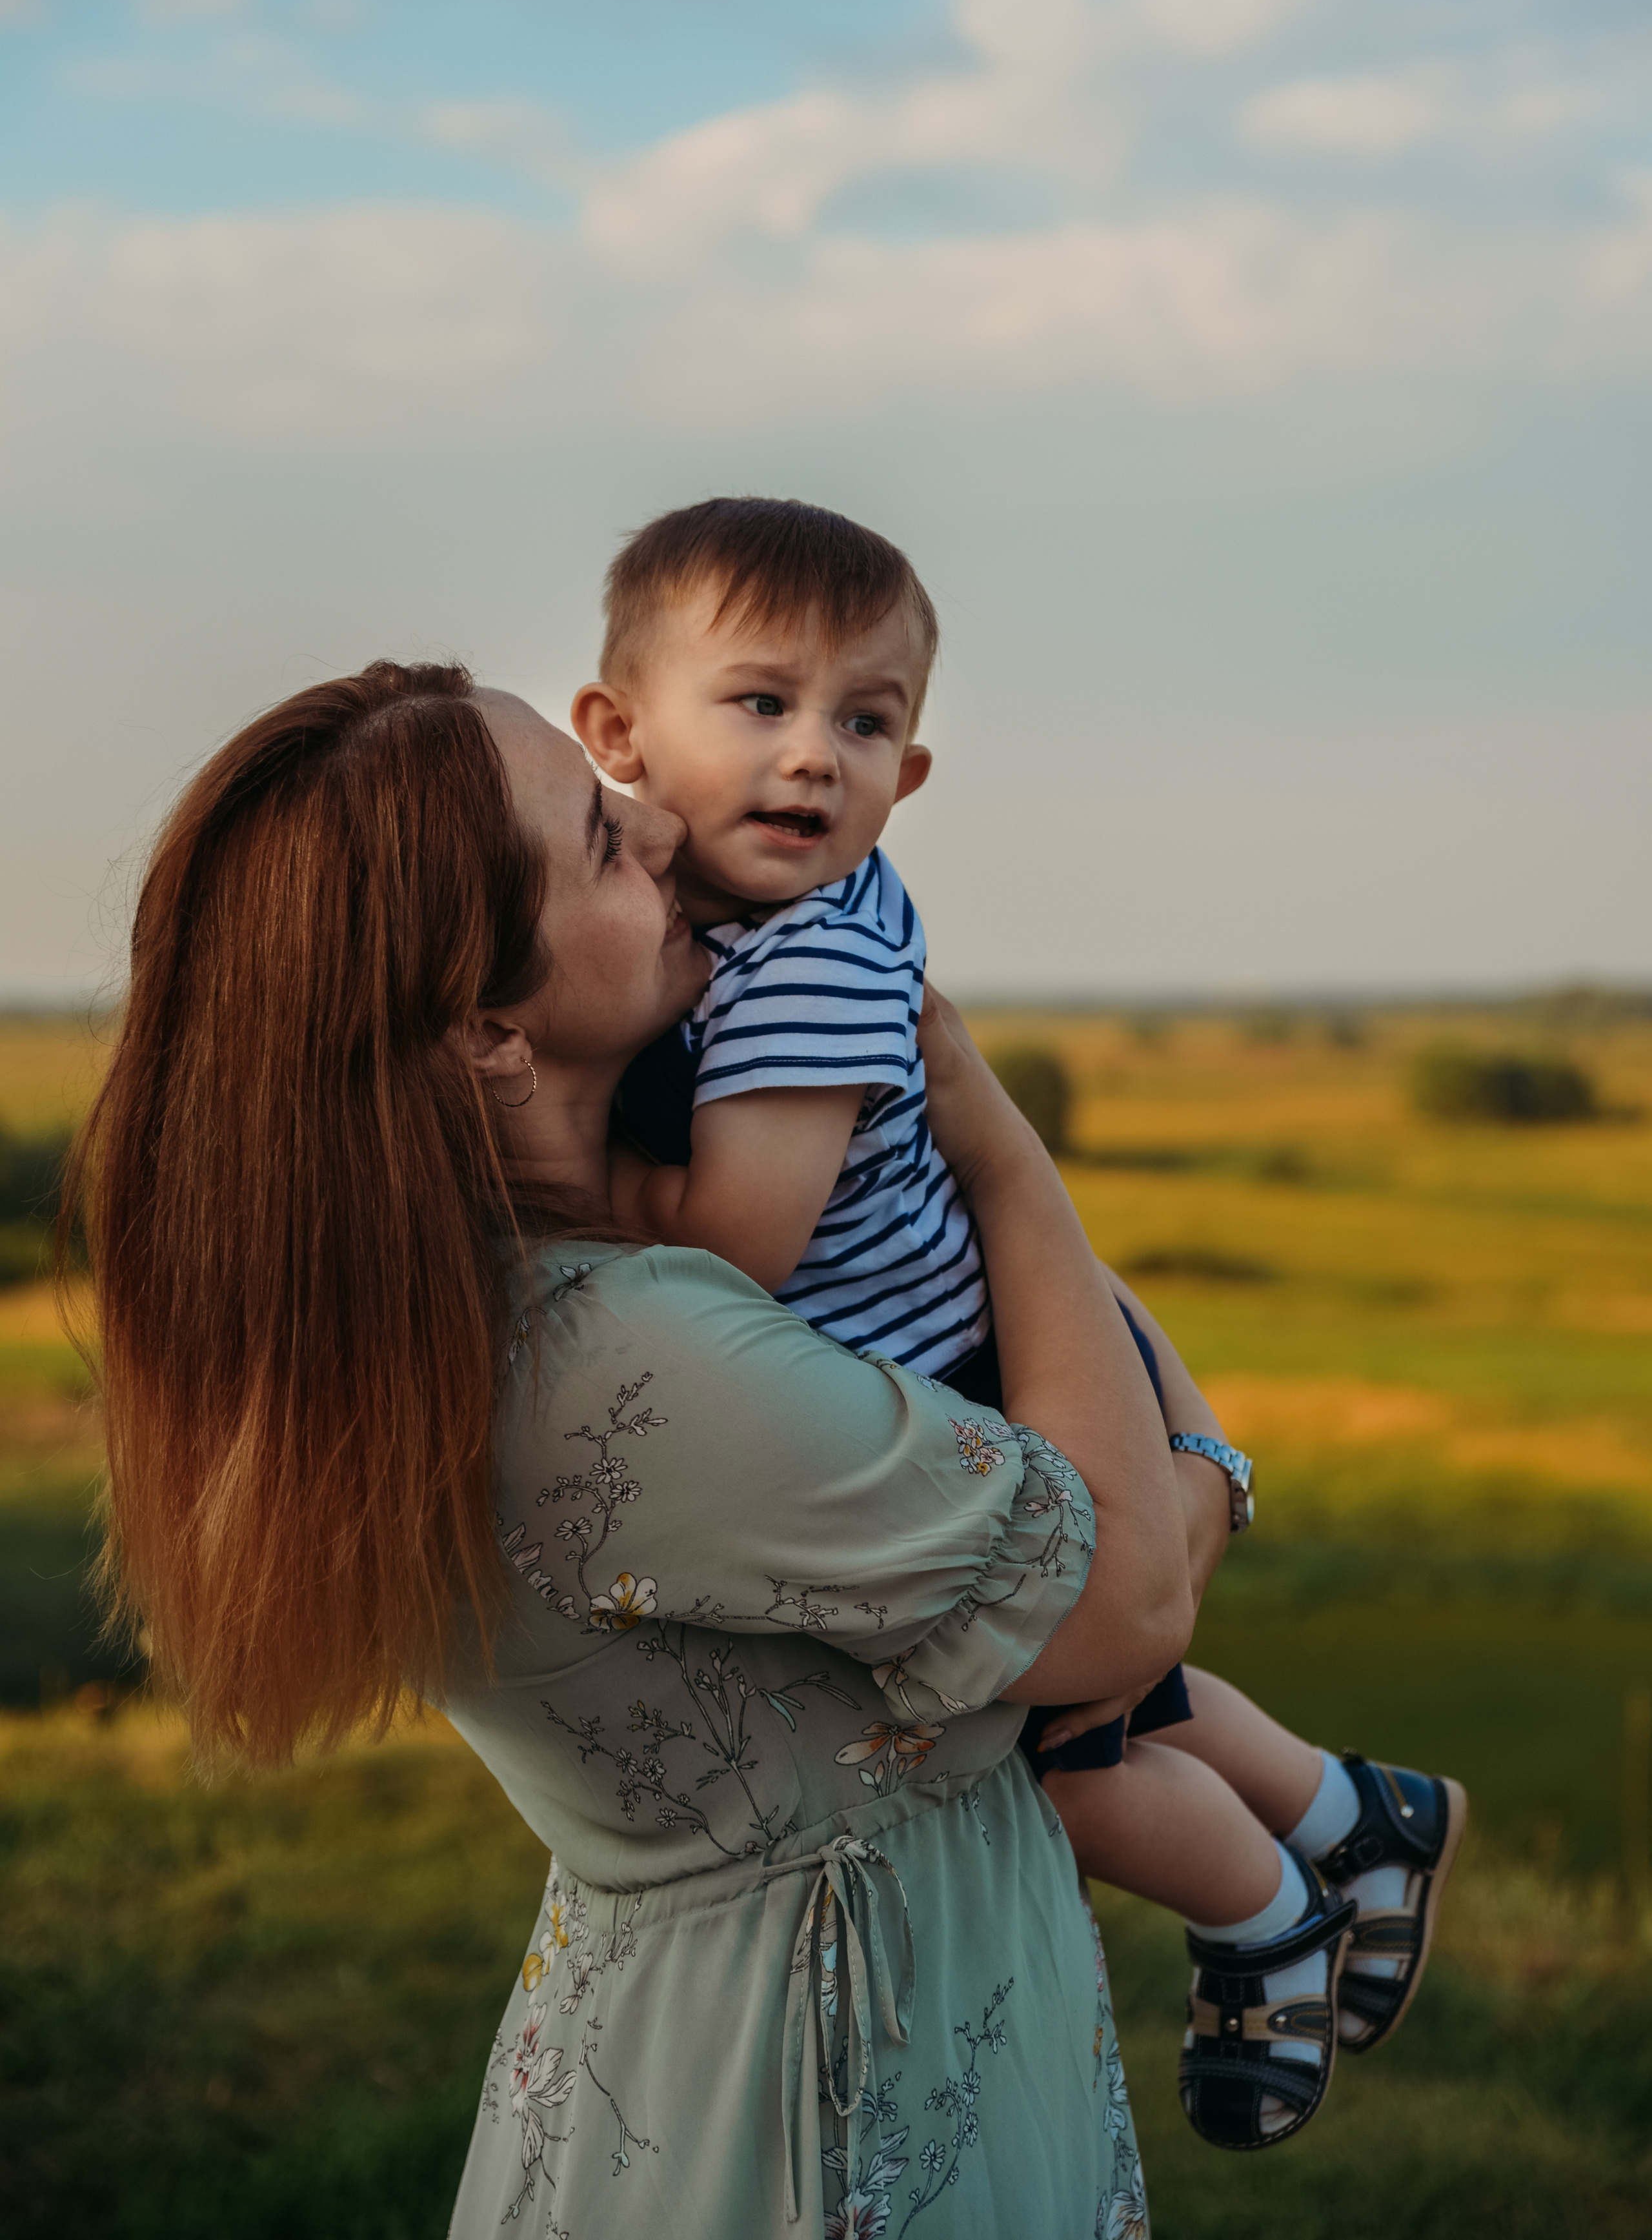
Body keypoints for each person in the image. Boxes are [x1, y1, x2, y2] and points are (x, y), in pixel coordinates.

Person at [66, 658, 1202, 2237]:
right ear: (485, 1031)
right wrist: (1004, 1162)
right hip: (815, 2112)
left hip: (704, 2049)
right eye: (598, 843)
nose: (661, 827)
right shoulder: (627, 1357)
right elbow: (1131, 1602)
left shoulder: (434, 1314)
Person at [572, 497, 1467, 2150]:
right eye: (760, 704)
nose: (812, 760)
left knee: (1049, 1743)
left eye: (864, 723)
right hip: (977, 1337)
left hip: (983, 1374)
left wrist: (567, 1183)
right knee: (1113, 1698)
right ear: (617, 734)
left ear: (907, 778)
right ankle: (1359, 1812)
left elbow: (738, 1254)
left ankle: (1262, 1911)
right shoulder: (752, 926)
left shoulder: (802, 964)